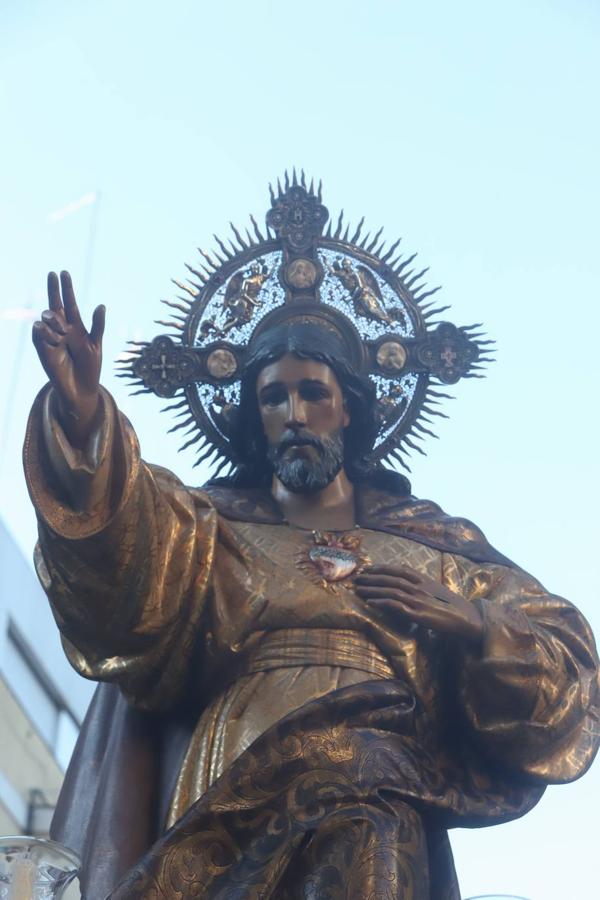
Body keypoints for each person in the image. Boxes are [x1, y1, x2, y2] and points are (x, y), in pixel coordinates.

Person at [24, 180, 599, 899]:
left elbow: (567, 669)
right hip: (238, 780)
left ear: (350, 409)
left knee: (368, 828)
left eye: (312, 393)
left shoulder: (431, 545)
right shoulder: (211, 531)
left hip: (381, 787)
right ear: (253, 415)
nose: (294, 413)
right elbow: (125, 553)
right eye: (272, 397)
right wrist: (83, 422)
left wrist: (473, 623)